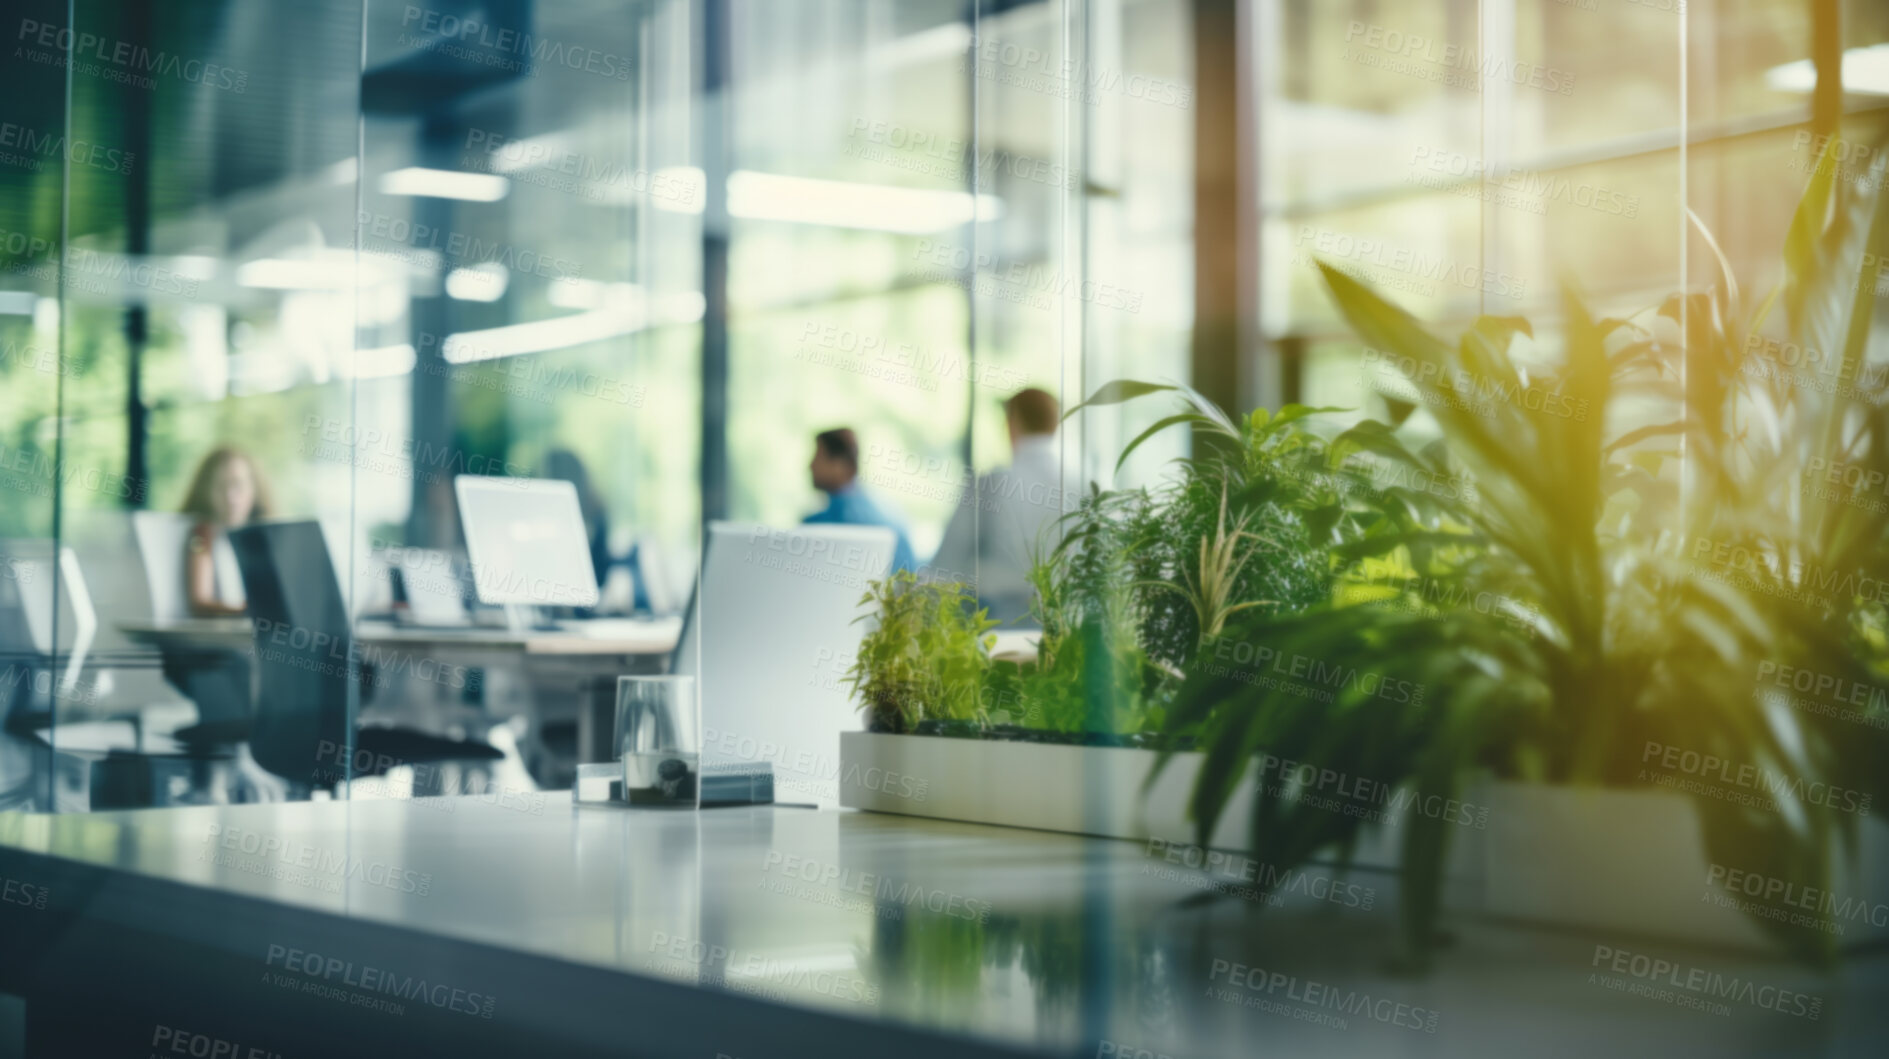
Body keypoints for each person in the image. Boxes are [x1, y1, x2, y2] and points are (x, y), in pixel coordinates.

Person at [928, 388, 1069, 624]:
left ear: (1012, 424)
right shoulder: (1090, 486)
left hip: (996, 635)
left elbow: (943, 569)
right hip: (1068, 636)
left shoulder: (990, 485)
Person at [803, 428, 917, 573]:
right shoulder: (890, 513)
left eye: (817, 457)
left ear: (840, 465)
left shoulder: (824, 524)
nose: (810, 466)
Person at [179, 446, 271, 617]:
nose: (230, 497)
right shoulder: (202, 534)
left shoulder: (263, 538)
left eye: (238, 485)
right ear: (206, 492)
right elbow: (200, 603)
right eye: (221, 487)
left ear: (255, 489)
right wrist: (250, 612)